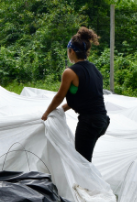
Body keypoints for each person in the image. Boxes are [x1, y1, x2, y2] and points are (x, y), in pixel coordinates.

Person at [40, 27, 109, 162]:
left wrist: (46, 114)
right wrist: (60, 110)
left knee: (81, 161)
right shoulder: (94, 69)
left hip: (89, 122)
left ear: (71, 51)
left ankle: (86, 183)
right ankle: (85, 182)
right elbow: (82, 98)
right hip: (102, 121)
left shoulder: (70, 72)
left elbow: (59, 96)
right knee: (84, 159)